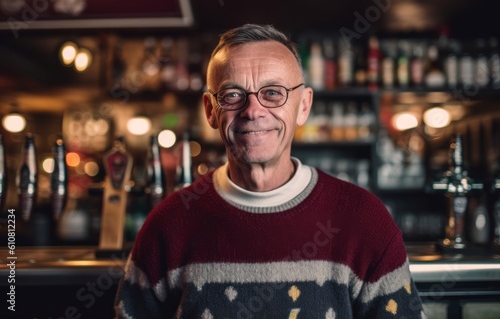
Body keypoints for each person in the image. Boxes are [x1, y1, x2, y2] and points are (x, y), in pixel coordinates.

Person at [114, 24, 426, 318]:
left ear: (303, 106)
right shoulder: (167, 225)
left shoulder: (365, 219)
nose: (253, 111)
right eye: (233, 94)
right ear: (211, 111)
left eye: (273, 93)